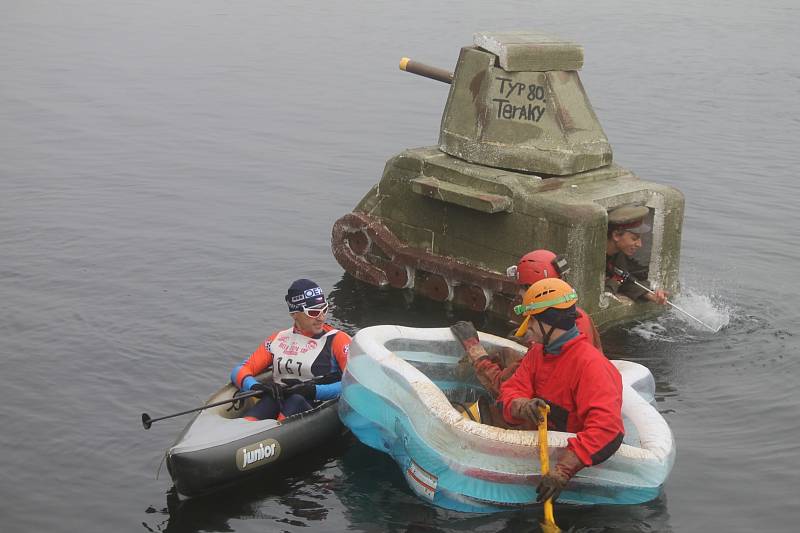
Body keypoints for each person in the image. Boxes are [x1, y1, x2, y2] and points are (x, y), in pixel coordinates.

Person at [497, 278, 624, 503]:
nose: (528, 328)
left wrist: (562, 471)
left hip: (573, 480)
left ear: (550, 322)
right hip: (540, 456)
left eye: (532, 320)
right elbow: (512, 389)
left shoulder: (591, 366)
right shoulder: (538, 353)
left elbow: (607, 429)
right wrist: (522, 406)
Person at [450, 249, 602, 400]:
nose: (519, 294)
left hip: (547, 411)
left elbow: (502, 386)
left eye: (522, 288)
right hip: (566, 397)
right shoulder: (580, 317)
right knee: (505, 353)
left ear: (534, 290)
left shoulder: (543, 350)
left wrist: (475, 350)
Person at [230, 279, 351, 421]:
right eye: (313, 312)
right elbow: (239, 370)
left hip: (315, 406)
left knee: (296, 400)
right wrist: (256, 387)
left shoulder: (338, 340)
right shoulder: (277, 339)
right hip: (279, 401)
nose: (321, 318)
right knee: (269, 401)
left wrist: (313, 391)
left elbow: (354, 384)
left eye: (324, 309)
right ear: (294, 314)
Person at [605, 205, 668, 305]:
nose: (640, 244)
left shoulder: (618, 256)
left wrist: (650, 294)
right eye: (634, 239)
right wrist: (614, 282)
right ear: (616, 235)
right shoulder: (593, 258)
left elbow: (626, 278)